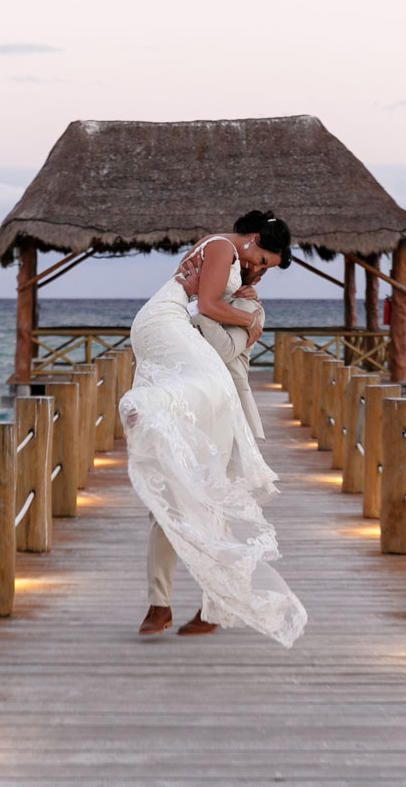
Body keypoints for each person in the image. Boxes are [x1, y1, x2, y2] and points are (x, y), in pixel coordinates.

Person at [119, 210, 307, 648]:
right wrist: (252, 322)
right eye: (262, 259)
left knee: (210, 500)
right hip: (193, 388)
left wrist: (236, 313)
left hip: (216, 406)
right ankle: (159, 603)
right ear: (254, 239)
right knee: (167, 491)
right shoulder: (223, 251)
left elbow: (219, 343)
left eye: (266, 270)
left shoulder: (243, 291)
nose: (258, 272)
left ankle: (213, 607)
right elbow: (206, 307)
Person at [142, 269, 266, 636]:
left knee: (213, 514)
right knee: (163, 507)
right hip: (184, 416)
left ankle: (214, 607)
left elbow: (225, 351)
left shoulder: (249, 308)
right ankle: (158, 603)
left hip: (224, 421)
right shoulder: (186, 311)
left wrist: (203, 313)